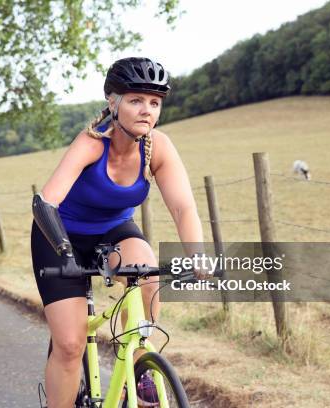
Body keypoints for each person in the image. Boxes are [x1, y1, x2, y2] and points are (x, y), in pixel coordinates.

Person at [31, 57, 208, 408]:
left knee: (146, 270)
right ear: (113, 102)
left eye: (154, 103)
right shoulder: (92, 142)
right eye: (136, 100)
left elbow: (182, 208)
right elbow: (44, 203)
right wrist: (66, 256)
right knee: (70, 343)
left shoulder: (158, 147)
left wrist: (197, 255)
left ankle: (137, 370)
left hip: (113, 231)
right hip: (60, 237)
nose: (147, 110)